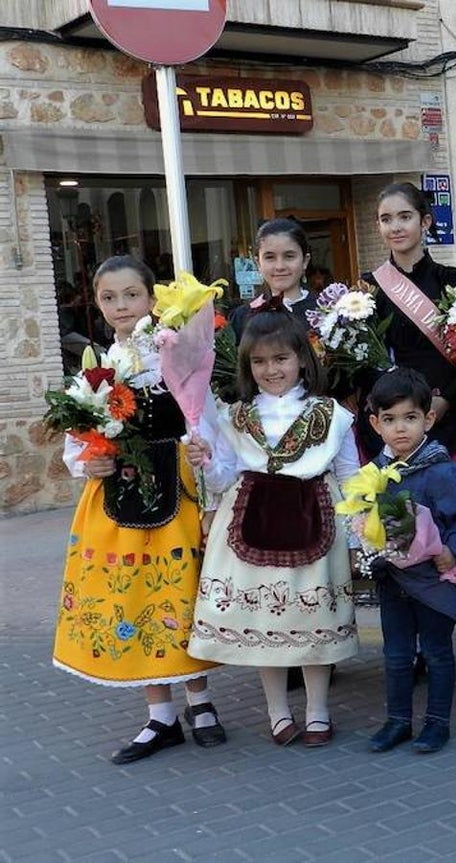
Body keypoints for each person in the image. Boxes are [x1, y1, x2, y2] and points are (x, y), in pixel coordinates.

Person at [52, 255, 226, 764]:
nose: (121, 305)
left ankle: (201, 702)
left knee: (180, 596)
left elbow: (205, 419)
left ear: (152, 298)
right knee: (134, 597)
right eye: (109, 297)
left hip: (177, 490)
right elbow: (78, 443)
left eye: (131, 295)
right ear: (98, 304)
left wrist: (205, 457)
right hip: (117, 501)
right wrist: (90, 462)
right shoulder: (96, 371)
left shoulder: (175, 350)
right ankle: (160, 715)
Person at [186, 311, 359, 747]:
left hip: (316, 517)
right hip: (249, 518)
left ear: (302, 358)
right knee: (264, 621)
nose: (271, 370)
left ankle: (317, 710)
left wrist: (359, 534)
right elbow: (223, 477)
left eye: (281, 358)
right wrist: (205, 460)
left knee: (313, 617)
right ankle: (277, 711)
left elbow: (351, 476)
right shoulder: (234, 415)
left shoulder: (333, 414)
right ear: (248, 367)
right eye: (259, 362)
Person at [364, 368, 456, 755]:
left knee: (436, 653)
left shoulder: (443, 472)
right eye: (389, 419)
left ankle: (437, 723)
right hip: (393, 580)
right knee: (396, 655)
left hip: (434, 581)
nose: (400, 428)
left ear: (428, 419)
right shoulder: (375, 474)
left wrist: (453, 548)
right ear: (376, 424)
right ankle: (398, 721)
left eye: (410, 417)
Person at [358, 182, 456, 461]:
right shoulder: (368, 289)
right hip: (392, 419)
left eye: (405, 217)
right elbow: (363, 361)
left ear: (425, 221)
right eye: (386, 219)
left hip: (444, 411)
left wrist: (445, 399)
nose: (396, 227)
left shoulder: (452, 281)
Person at [228, 218, 319, 340]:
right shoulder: (242, 317)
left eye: (289, 256)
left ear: (305, 261)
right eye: (270, 257)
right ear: (258, 263)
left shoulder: (327, 313)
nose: (280, 266)